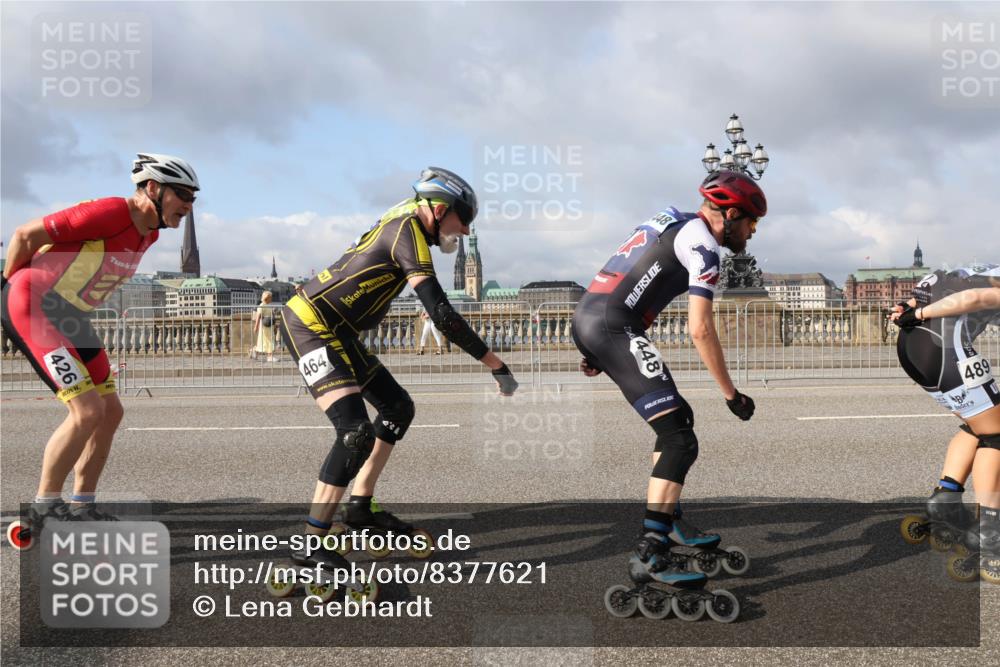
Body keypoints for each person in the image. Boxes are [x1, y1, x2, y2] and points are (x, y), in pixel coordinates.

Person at [277, 166, 518, 577]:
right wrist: (496, 365)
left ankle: (359, 506)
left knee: (396, 407)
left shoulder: (408, 225)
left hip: (341, 332)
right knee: (354, 433)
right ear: (440, 211)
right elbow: (441, 314)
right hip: (309, 325)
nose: (463, 231)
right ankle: (309, 546)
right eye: (463, 221)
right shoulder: (407, 230)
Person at [573, 170, 763, 589]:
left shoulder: (669, 219)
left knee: (675, 422)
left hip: (595, 316)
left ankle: (670, 522)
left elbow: (620, 268)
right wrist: (732, 395)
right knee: (679, 436)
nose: (751, 233)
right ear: (731, 214)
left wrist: (593, 347)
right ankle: (651, 550)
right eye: (751, 222)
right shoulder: (705, 247)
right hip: (614, 326)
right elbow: (701, 329)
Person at [1, 153, 198, 544]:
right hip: (34, 306)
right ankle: (44, 504)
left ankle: (81, 506)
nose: (189, 206)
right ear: (153, 189)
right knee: (86, 409)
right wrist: (8, 292)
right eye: (183, 195)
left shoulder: (151, 232)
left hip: (70, 316)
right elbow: (25, 235)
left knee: (110, 411)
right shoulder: (110, 212)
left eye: (194, 197)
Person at [891, 265, 1000, 582]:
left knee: (977, 424)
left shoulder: (979, 268)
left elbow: (925, 292)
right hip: (944, 352)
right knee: (995, 436)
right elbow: (976, 298)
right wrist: (921, 313)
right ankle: (991, 531)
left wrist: (909, 309)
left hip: (915, 350)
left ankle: (946, 500)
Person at [251, 291, 276, 362]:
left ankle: (255, 351)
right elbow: (258, 317)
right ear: (267, 298)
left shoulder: (269, 305)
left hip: (269, 326)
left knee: (266, 341)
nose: (271, 299)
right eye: (270, 297)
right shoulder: (262, 305)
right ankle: (269, 356)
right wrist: (256, 326)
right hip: (264, 326)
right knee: (266, 341)